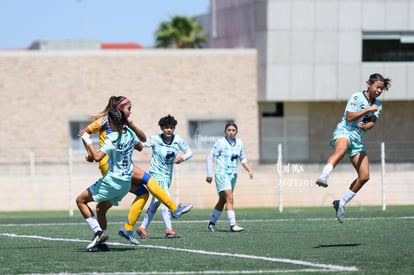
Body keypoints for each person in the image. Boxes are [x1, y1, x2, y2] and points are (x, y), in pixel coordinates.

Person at [79, 96, 192, 247]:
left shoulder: (125, 127)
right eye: (128, 108)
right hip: (110, 163)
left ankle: (123, 230)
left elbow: (141, 142)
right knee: (148, 179)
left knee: (139, 194)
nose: (130, 111)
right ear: (119, 109)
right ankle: (174, 208)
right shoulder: (105, 121)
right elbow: (84, 132)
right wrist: (90, 154)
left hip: (119, 163)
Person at [315, 73, 391, 223]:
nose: (379, 91)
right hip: (345, 131)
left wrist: (366, 126)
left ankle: (341, 203)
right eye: (377, 87)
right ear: (369, 84)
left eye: (381, 89)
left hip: (358, 138)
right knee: (341, 151)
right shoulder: (356, 97)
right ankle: (324, 176)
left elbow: (372, 122)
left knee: (364, 176)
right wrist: (367, 109)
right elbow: (349, 117)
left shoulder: (378, 105)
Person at [76, 108, 139, 251]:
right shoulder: (130, 133)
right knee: (100, 208)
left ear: (110, 122)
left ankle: (99, 233)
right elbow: (140, 146)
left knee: (80, 201)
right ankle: (102, 243)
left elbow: (98, 157)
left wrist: (88, 141)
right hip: (126, 184)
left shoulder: (112, 137)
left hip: (113, 180)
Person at [135, 114, 192, 239]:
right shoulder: (155, 139)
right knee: (165, 199)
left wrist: (182, 158)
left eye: (171, 127)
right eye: (166, 127)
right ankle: (169, 230)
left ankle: (142, 228)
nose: (169, 130)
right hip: (155, 175)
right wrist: (131, 141)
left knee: (155, 203)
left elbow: (189, 152)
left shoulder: (178, 139)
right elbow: (141, 145)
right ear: (161, 128)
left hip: (167, 177)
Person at [206, 122, 254, 232]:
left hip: (233, 175)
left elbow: (242, 158)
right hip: (222, 173)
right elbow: (210, 157)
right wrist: (209, 174)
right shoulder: (221, 142)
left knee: (223, 200)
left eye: (233, 130)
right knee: (230, 198)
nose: (231, 132)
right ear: (225, 131)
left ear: (236, 132)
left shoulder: (240, 143)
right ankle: (233, 225)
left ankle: (211, 223)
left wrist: (249, 170)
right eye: (229, 130)